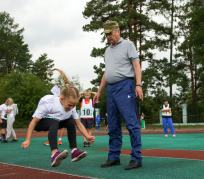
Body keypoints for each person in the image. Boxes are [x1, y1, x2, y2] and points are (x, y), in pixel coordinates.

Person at [93, 21, 143, 170]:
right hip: (111, 89)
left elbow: (136, 65)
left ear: (118, 31)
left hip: (125, 86)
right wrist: (99, 91)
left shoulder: (128, 45)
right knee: (113, 124)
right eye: (106, 34)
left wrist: (138, 85)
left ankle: (136, 158)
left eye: (110, 33)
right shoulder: (107, 51)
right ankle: (114, 156)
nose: (108, 36)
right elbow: (106, 72)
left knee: (131, 123)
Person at [21, 68, 95, 167]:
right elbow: (34, 122)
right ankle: (54, 153)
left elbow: (78, 123)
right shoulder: (49, 103)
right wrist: (27, 140)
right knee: (54, 121)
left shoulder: (71, 105)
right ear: (61, 99)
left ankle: (74, 151)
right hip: (40, 123)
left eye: (74, 105)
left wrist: (87, 136)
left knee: (70, 122)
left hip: (56, 120)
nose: (71, 108)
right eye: (69, 105)